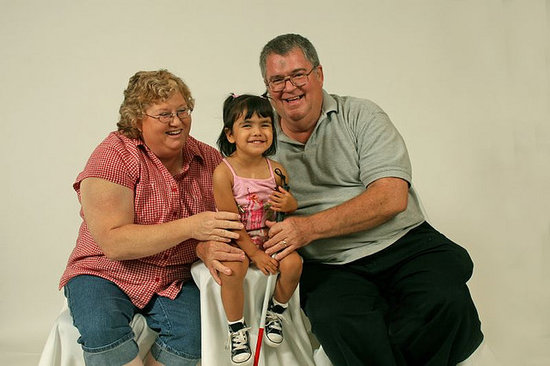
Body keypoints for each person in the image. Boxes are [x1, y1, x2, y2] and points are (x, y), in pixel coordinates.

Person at [259, 34, 484, 366]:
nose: (288, 87)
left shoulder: (360, 115)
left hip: (401, 242)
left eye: (297, 74)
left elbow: (391, 197)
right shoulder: (259, 138)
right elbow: (231, 188)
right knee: (336, 319)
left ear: (319, 74)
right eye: (276, 80)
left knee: (447, 300)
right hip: (330, 264)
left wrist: (307, 228)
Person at [59, 70, 246, 366]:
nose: (177, 121)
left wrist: (203, 246)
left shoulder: (208, 159)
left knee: (197, 335)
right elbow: (114, 243)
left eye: (183, 110)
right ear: (137, 119)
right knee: (100, 326)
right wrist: (192, 227)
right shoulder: (113, 156)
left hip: (172, 276)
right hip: (105, 271)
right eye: (164, 114)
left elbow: (230, 219)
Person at [213, 94, 302, 365]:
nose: (257, 132)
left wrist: (291, 203)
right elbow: (230, 221)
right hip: (237, 239)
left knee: (294, 263)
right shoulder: (224, 173)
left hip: (269, 237)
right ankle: (237, 328)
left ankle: (277, 311)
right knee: (233, 271)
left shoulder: (277, 171)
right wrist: (254, 255)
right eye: (247, 125)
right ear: (230, 134)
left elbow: (285, 211)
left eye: (265, 124)